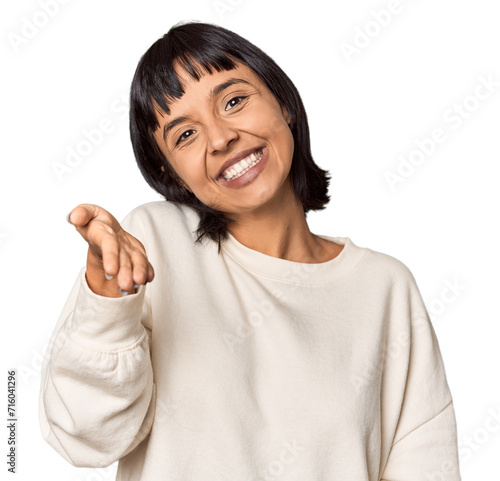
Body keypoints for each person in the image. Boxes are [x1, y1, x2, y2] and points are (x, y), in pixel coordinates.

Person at [39, 21, 462, 480]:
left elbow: (426, 465)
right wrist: (107, 303)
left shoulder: (384, 287)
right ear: (171, 173)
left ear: (282, 101)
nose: (221, 138)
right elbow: (84, 436)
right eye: (185, 134)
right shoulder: (154, 243)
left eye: (234, 101)